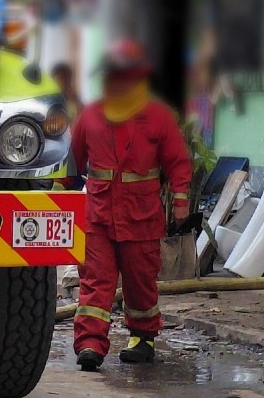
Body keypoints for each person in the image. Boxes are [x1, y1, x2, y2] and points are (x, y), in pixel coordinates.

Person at [70, 39, 192, 371]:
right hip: (98, 215)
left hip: (141, 217)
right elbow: (71, 162)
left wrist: (181, 199)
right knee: (95, 281)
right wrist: (56, 198)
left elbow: (178, 162)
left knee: (140, 282)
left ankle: (142, 338)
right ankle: (90, 344)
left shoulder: (157, 116)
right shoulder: (90, 115)